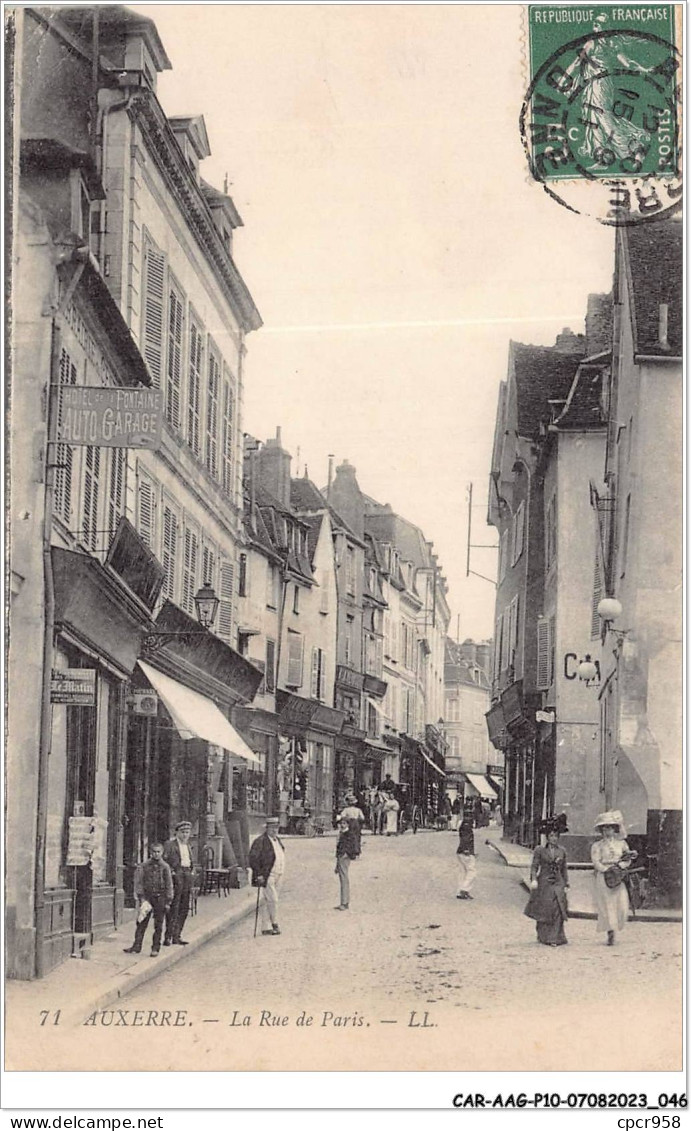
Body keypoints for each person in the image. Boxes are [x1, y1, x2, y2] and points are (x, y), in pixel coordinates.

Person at [591, 810, 636, 946]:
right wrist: (606, 870)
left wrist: (620, 867)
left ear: (614, 829)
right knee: (607, 905)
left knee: (622, 904)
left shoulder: (621, 844)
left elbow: (628, 859)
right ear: (601, 830)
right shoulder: (597, 845)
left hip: (619, 877)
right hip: (604, 877)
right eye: (604, 828)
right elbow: (596, 861)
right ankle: (610, 932)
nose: (607, 831)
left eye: (610, 827)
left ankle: (617, 925)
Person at [123, 843, 173, 957]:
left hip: (160, 898)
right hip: (147, 897)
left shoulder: (165, 867)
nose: (156, 854)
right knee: (141, 922)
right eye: (154, 851)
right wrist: (141, 897)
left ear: (162, 852)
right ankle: (136, 946)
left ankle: (155, 948)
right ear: (150, 852)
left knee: (158, 925)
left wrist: (168, 900)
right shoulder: (144, 866)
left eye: (158, 852)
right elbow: (139, 882)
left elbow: (169, 884)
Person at [523, 823, 569, 946]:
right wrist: (533, 879)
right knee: (545, 909)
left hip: (558, 882)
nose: (554, 838)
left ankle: (555, 937)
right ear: (547, 837)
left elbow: (564, 868)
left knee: (558, 908)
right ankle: (543, 935)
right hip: (544, 882)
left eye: (556, 836)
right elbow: (534, 866)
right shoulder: (540, 850)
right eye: (551, 836)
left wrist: (566, 883)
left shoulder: (562, 851)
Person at [248, 816, 286, 936]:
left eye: (276, 828)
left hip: (279, 874)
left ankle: (265, 927)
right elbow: (253, 858)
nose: (275, 830)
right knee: (273, 900)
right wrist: (259, 874)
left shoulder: (277, 840)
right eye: (272, 828)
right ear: (267, 828)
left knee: (267, 901)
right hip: (267, 875)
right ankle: (275, 923)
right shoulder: (260, 841)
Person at [163, 820, 195, 946]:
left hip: (187, 876)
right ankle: (168, 936)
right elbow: (165, 863)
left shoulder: (188, 846)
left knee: (184, 907)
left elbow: (190, 862)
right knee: (173, 907)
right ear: (177, 832)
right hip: (176, 876)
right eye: (182, 832)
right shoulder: (170, 845)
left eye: (187, 832)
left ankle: (177, 935)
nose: (185, 835)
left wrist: (192, 871)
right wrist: (172, 873)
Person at [334, 817, 360, 910]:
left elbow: (352, 845)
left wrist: (346, 854)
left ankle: (344, 902)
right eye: (341, 823)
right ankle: (344, 901)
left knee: (344, 879)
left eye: (344, 823)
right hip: (341, 857)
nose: (342, 825)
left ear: (348, 825)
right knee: (342, 878)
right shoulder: (343, 833)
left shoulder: (348, 834)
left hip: (343, 857)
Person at [456, 817, 477, 900]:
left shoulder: (462, 828)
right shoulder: (468, 829)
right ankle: (464, 890)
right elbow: (466, 840)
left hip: (460, 851)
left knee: (464, 872)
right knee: (472, 872)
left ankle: (460, 890)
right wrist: (468, 851)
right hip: (466, 853)